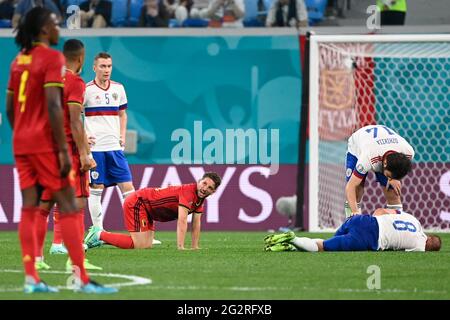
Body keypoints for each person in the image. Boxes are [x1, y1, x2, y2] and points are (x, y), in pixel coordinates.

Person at [5, 7, 116, 293]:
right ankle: (80, 277)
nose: (58, 28)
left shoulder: (18, 61)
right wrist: (66, 152)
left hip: (22, 144)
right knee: (71, 206)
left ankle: (32, 277)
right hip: (47, 146)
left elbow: (9, 108)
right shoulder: (53, 60)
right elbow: (59, 108)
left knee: (32, 207)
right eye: (54, 23)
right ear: (43, 29)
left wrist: (23, 133)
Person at [35, 39, 101, 272]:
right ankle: (75, 259)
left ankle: (37, 259)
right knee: (78, 203)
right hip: (67, 153)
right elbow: (75, 120)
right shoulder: (75, 82)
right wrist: (84, 154)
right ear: (81, 59)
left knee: (44, 205)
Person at [83, 52, 162, 245]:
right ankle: (97, 233)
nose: (106, 70)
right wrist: (84, 137)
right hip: (96, 150)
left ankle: (140, 231)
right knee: (96, 189)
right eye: (102, 66)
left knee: (128, 189)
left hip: (115, 149)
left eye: (109, 66)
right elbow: (75, 116)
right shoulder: (86, 90)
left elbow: (122, 115)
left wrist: (121, 135)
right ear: (94, 68)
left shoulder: (119, 88)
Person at [84, 172, 221, 250]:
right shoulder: (189, 192)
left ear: (213, 192)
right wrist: (181, 247)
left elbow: (196, 224)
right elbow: (183, 220)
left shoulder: (199, 199)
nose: (205, 188)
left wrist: (195, 247)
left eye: (209, 187)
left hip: (149, 210)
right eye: (204, 183)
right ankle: (99, 234)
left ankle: (99, 238)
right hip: (139, 202)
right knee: (139, 245)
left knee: (146, 246)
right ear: (199, 181)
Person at [264, 208, 442, 252]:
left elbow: (380, 211)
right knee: (324, 247)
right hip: (368, 238)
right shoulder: (420, 246)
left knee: (326, 242)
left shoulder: (414, 220)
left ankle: (289, 246)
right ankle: (293, 238)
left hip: (361, 219)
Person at [345, 124, 414, 218]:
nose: (389, 178)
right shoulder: (368, 157)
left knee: (393, 191)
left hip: (382, 147)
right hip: (357, 147)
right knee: (356, 191)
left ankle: (396, 226)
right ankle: (352, 225)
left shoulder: (408, 152)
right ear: (384, 163)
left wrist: (394, 179)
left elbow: (399, 168)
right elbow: (350, 186)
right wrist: (354, 211)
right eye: (388, 176)